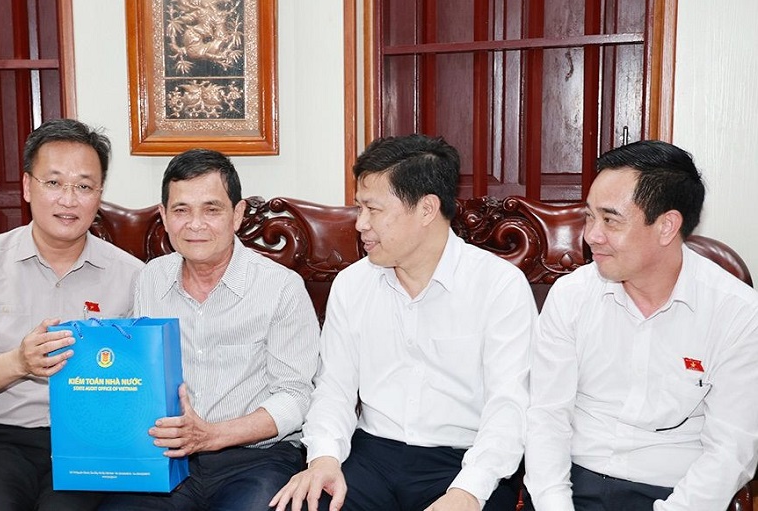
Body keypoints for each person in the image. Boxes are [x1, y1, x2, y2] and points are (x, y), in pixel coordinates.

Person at [270, 134, 536, 511]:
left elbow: (510, 406)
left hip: (466, 460)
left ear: (427, 209)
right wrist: (324, 459)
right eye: (359, 207)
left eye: (373, 209)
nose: (361, 224)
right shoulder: (353, 284)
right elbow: (333, 390)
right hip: (371, 456)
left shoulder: (498, 286)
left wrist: (468, 492)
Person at [524, 140, 758, 510]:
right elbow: (546, 417)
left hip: (674, 491)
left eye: (610, 220)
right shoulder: (572, 296)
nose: (592, 235)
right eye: (589, 217)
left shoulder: (737, 313)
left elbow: (731, 450)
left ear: (667, 226)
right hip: (572, 482)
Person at [0, 119, 144, 510]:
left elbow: (143, 381)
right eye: (54, 182)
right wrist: (19, 362)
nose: (69, 199)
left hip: (93, 443)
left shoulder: (133, 276)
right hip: (3, 440)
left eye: (84, 186)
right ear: (28, 186)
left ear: (99, 194)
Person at [98, 149, 320, 511]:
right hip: (166, 457)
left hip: (255, 460)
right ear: (163, 216)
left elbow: (296, 396)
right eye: (181, 210)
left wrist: (211, 435)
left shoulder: (281, 287)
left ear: (238, 214)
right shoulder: (150, 279)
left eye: (211, 210)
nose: (195, 224)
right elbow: (137, 375)